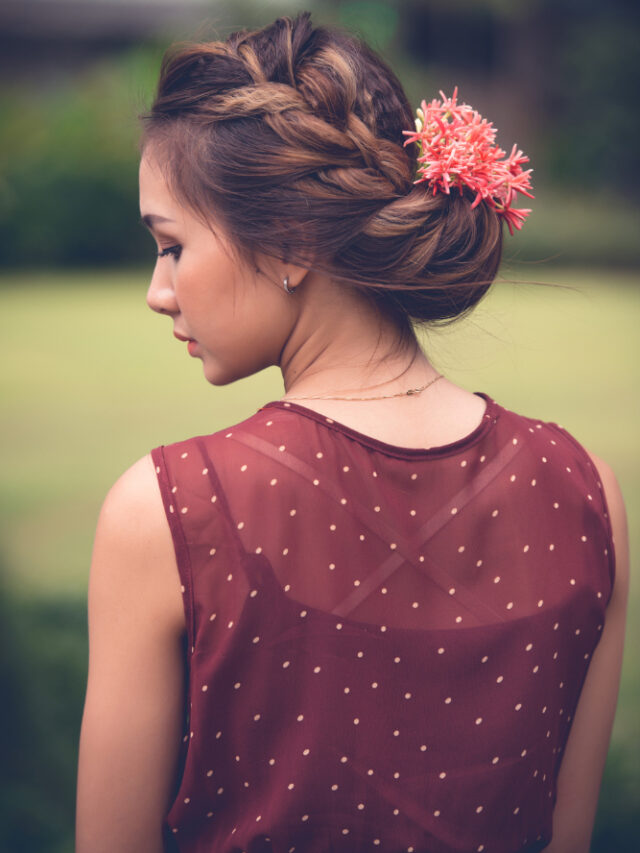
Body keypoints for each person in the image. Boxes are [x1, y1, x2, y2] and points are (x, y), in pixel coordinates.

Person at [75, 12, 629, 853]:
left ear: (291, 238)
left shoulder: (167, 513)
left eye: (172, 246)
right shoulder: (586, 489)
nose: (159, 289)